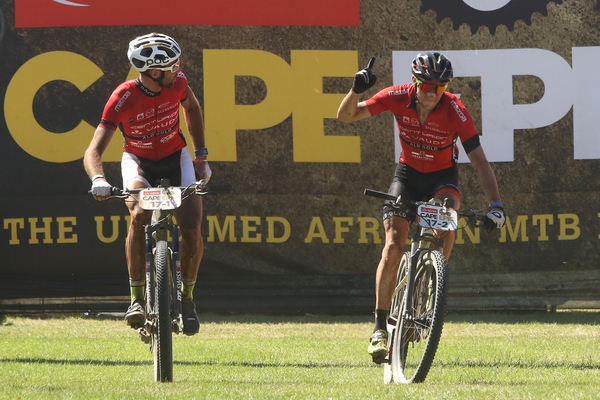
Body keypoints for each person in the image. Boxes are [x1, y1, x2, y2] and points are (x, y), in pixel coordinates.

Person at [337, 52, 505, 362]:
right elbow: (346, 117)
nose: (432, 93)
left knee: (447, 219)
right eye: (427, 86)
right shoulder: (396, 96)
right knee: (393, 245)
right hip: (407, 176)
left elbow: (479, 161)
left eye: (439, 88)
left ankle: (430, 292)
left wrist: (496, 205)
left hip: (442, 178)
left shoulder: (455, 110)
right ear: (415, 83)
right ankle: (379, 329)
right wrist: (356, 89)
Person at [83, 33, 211, 336]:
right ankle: (137, 300)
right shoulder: (122, 97)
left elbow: (191, 109)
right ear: (154, 71)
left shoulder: (178, 83)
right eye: (170, 66)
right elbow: (93, 151)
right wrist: (98, 179)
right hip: (139, 161)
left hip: (176, 157)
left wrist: (202, 157)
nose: (177, 69)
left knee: (192, 227)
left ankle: (188, 299)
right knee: (139, 217)